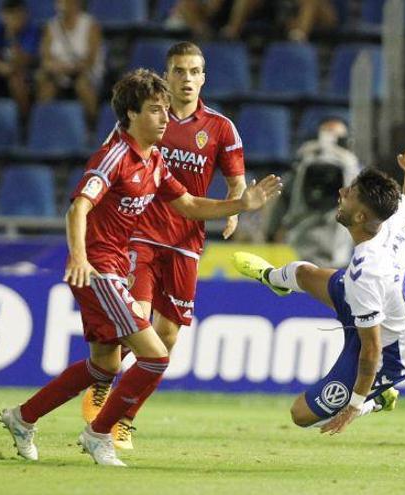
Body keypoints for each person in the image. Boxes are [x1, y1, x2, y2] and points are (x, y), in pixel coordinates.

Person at [0, 68, 282, 467]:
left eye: (166, 110)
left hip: (113, 264)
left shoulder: (154, 160)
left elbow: (187, 205)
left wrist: (240, 204)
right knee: (155, 356)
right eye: (155, 111)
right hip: (98, 270)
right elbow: (78, 206)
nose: (166, 118)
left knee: (105, 366)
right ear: (130, 114)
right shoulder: (115, 155)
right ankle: (99, 434)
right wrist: (79, 257)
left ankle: (22, 417)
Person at [79, 41, 248, 450]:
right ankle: (102, 386)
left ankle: (123, 416)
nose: (186, 79)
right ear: (167, 75)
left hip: (186, 242)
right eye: (179, 71)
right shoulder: (144, 117)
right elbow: (111, 157)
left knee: (167, 335)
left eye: (194, 71)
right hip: (138, 234)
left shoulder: (221, 127)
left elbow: (236, 178)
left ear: (203, 77)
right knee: (133, 320)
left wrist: (234, 209)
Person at [233, 147, 405, 434]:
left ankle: (378, 399)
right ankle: (272, 278)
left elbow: (370, 350)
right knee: (305, 274)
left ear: (360, 217)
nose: (341, 193)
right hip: (376, 308)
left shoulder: (367, 272)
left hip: (390, 354)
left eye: (349, 193)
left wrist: (356, 404)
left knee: (302, 414)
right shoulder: (388, 222)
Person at [266, 115, 361, 267]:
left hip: (338, 253)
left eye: (336, 136)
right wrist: (271, 233)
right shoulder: (300, 167)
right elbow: (281, 201)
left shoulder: (353, 170)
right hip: (299, 250)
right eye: (327, 134)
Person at [35, 0, 104, 124]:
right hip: (58, 72)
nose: (63, 5)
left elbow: (90, 60)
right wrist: (54, 67)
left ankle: (93, 125)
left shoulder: (90, 25)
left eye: (67, 2)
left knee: (82, 85)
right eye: (60, 2)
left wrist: (71, 68)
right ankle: (44, 125)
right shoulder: (51, 26)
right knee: (45, 85)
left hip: (85, 72)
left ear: (76, 4)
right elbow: (45, 59)